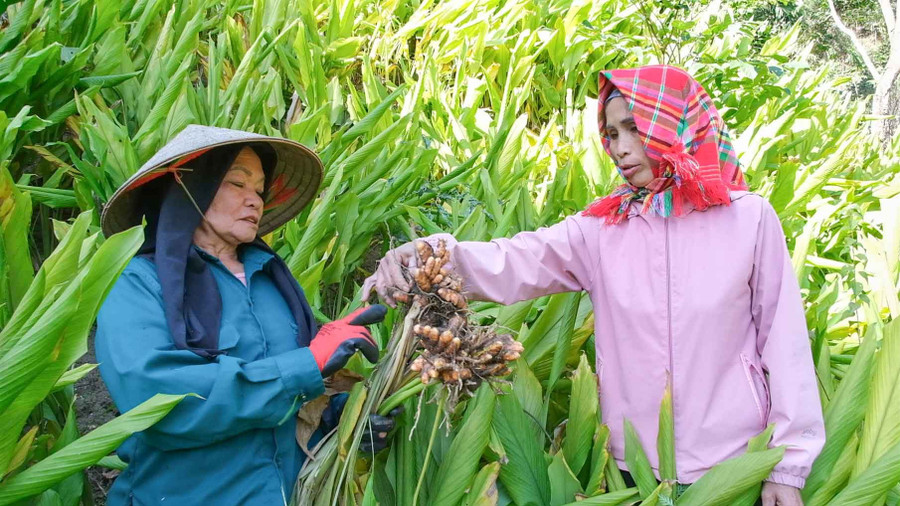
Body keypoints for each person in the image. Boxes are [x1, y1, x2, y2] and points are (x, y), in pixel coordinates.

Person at [362, 65, 825, 505]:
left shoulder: (748, 219)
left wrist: (787, 467)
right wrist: (426, 255)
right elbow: (513, 260)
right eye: (611, 134)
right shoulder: (602, 228)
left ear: (676, 123)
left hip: (733, 460)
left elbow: (783, 345)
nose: (620, 148)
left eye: (633, 128)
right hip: (631, 464)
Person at [96, 125, 394, 505]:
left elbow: (297, 402)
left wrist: (344, 420)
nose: (254, 200)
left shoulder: (272, 281)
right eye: (237, 183)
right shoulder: (138, 284)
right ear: (190, 188)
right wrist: (305, 365)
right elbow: (157, 400)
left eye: (259, 190)